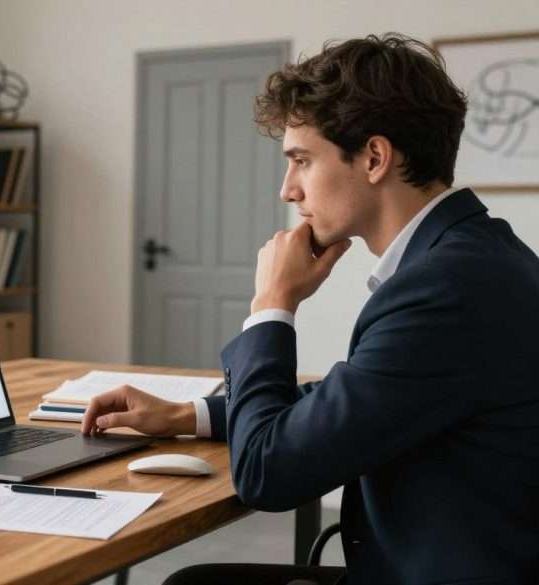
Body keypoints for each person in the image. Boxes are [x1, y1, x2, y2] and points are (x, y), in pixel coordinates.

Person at [82, 33, 539, 585]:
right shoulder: (472, 254)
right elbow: (359, 395)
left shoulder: (446, 287)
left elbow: (267, 472)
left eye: (301, 160)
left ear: (374, 157)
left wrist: (273, 305)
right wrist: (188, 416)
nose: (287, 189)